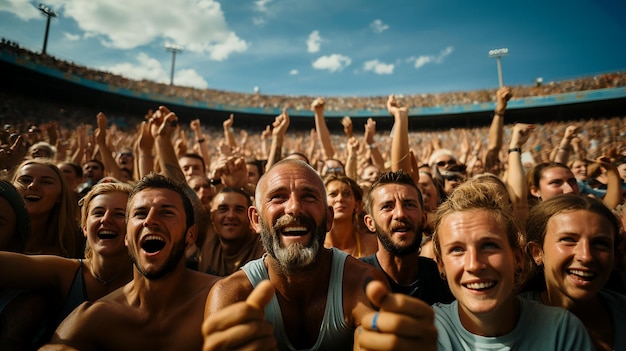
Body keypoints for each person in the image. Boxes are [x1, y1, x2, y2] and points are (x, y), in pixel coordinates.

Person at [202, 159, 438, 351]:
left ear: (328, 219)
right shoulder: (231, 295)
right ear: (255, 220)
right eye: (278, 197)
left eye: (309, 196)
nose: (294, 208)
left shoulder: (361, 283)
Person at [42, 173, 220, 350]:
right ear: (127, 237)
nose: (150, 221)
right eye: (140, 213)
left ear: (190, 234)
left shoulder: (221, 297)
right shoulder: (95, 319)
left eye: (166, 212)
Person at [431, 180, 593, 350]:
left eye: (489, 246)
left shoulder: (562, 330)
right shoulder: (425, 332)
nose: (474, 265)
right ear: (441, 265)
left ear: (518, 258)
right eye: (457, 250)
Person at [0, 182, 134, 347]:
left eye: (119, 214)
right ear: (85, 227)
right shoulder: (65, 272)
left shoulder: (151, 282)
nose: (106, 219)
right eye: (98, 212)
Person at [522, 194, 626, 351]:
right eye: (568, 240)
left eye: (600, 243)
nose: (586, 256)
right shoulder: (508, 322)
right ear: (537, 252)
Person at [360, 171, 454, 305]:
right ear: (370, 223)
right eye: (387, 207)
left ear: (423, 218)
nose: (400, 214)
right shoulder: (354, 278)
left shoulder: (442, 279)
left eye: (409, 205)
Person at [11, 159, 82, 258]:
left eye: (46, 182)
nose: (33, 185)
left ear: (59, 196)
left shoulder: (78, 240)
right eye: (25, 180)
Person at [199, 187, 264, 276]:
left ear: (251, 217)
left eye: (239, 210)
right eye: (223, 209)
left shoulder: (263, 245)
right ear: (212, 216)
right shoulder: (207, 236)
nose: (231, 215)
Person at [323, 174, 377, 258]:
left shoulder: (373, 243)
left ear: (357, 205)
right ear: (322, 203)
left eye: (346, 194)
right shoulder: (315, 247)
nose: (340, 199)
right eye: (333, 194)